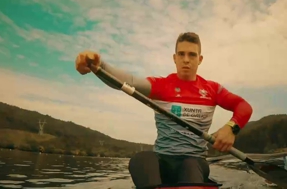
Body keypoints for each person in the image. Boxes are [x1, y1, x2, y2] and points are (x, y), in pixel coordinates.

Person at [75, 32, 253, 188]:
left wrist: (231, 127)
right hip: (163, 162)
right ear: (174, 58)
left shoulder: (213, 90)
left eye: (192, 55)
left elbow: (243, 107)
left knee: (190, 165)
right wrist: (97, 66)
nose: (186, 59)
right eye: (181, 54)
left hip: (194, 163)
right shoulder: (161, 86)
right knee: (140, 159)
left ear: (200, 59)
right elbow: (128, 81)